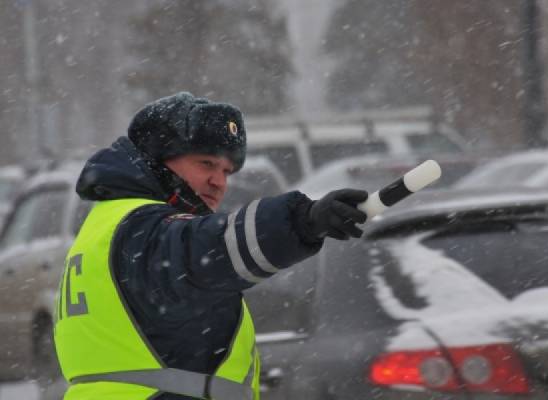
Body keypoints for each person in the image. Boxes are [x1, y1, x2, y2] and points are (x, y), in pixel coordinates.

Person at [53, 92, 368, 400]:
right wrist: (303, 220)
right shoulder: (143, 229)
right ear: (157, 161)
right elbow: (209, 248)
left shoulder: (108, 225)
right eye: (206, 163)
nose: (219, 181)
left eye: (226, 171)